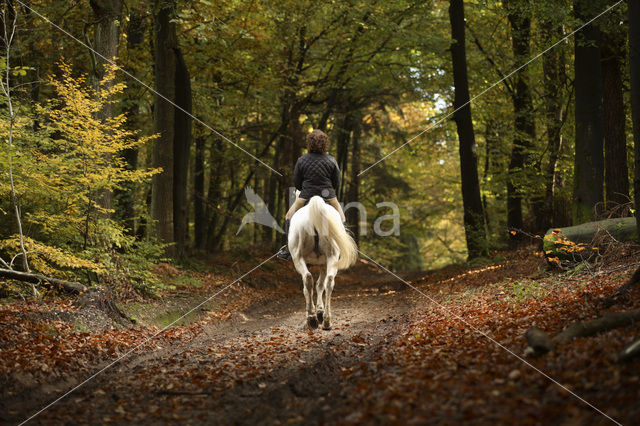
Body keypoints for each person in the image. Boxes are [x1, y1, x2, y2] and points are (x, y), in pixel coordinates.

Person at [276, 129, 346, 260]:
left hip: (306, 195)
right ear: (325, 144)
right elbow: (336, 182)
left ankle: (289, 250)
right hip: (328, 195)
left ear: (309, 143)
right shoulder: (331, 160)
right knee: (342, 217)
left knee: (289, 216)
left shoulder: (301, 160)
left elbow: (297, 183)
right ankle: (341, 249)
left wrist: (305, 188)